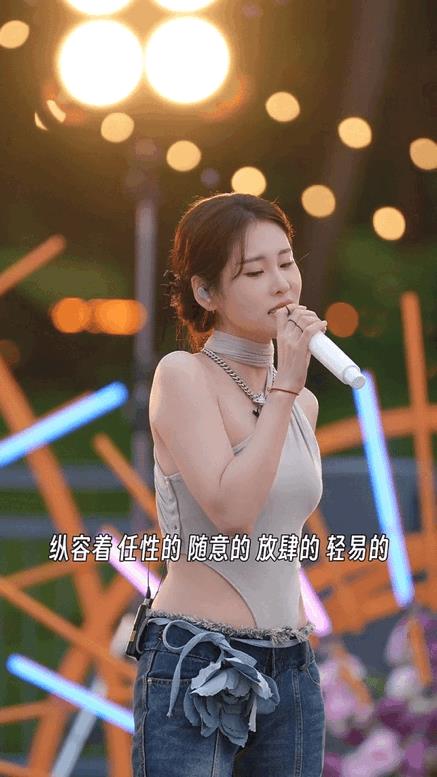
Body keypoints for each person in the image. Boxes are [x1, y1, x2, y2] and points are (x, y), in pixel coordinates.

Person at [131, 192, 327, 777]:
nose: (280, 284)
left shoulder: (303, 405)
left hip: (292, 662)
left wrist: (287, 390)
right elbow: (232, 510)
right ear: (205, 293)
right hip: (197, 659)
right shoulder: (182, 375)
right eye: (254, 271)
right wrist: (285, 386)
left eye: (286, 263)